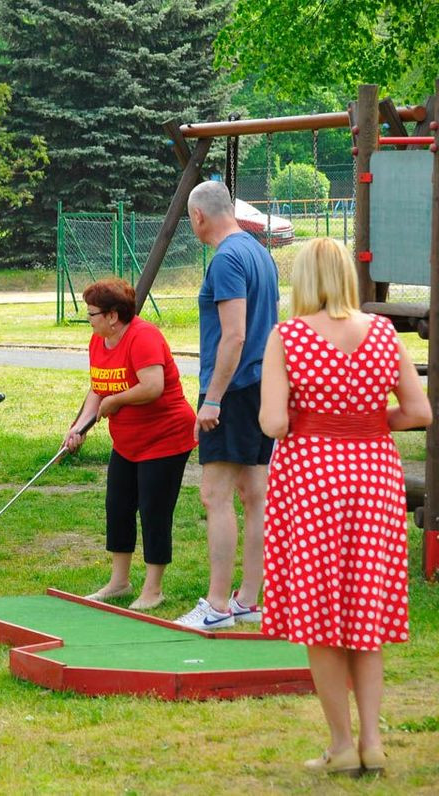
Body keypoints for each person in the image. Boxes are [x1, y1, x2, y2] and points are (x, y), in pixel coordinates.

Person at [259, 239, 430, 775]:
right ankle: (373, 741)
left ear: (304, 279)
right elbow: (420, 411)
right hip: (374, 481)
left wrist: (318, 424)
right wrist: (369, 424)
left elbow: (275, 424)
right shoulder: (382, 333)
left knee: (321, 618)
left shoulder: (287, 338)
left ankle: (339, 745)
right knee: (364, 614)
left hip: (311, 481)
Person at [176, 180, 279, 630]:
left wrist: (212, 399)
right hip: (261, 387)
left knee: (215, 495)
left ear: (199, 216)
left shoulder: (226, 259)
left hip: (232, 391)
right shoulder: (260, 252)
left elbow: (234, 335)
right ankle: (248, 601)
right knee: (255, 497)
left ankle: (217, 607)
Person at [63, 278, 196, 610]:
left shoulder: (143, 336)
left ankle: (153, 589)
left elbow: (153, 386)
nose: (88, 319)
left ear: (112, 315)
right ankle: (119, 582)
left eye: (92, 313)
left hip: (166, 436)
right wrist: (79, 427)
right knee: (118, 505)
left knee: (153, 510)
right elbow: (98, 387)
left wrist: (117, 401)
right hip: (128, 441)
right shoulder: (99, 341)